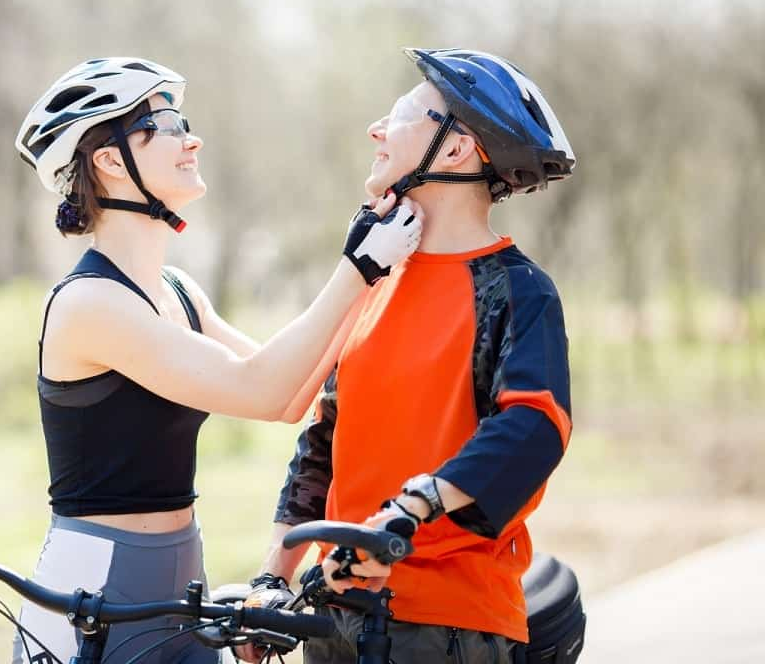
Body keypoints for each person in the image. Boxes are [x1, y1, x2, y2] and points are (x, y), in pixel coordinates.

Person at [10, 57, 423, 663]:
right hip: (94, 587)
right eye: (168, 122)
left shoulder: (177, 291)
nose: (191, 137)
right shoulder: (88, 303)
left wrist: (370, 276)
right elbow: (256, 389)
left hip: (181, 575)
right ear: (107, 160)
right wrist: (357, 268)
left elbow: (291, 399)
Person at [237, 48, 576, 664]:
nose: (376, 130)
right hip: (334, 618)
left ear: (453, 150)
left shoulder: (516, 290)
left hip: (447, 626)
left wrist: (407, 510)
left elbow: (534, 426)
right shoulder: (377, 279)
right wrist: (274, 576)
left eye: (401, 115)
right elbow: (324, 442)